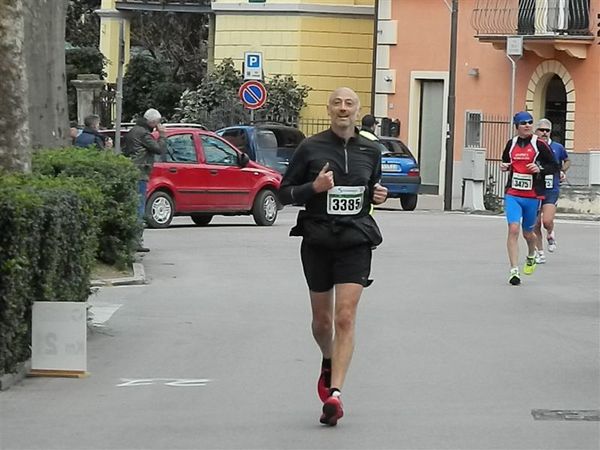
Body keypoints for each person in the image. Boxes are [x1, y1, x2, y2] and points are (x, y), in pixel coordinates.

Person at [278, 87, 388, 426]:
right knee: (322, 322)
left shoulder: (371, 151)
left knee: (345, 317)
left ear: (358, 111)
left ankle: (336, 394)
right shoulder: (310, 148)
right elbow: (283, 193)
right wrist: (314, 188)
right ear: (328, 110)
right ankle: (328, 358)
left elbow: (370, 190)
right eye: (337, 103)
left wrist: (377, 194)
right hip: (318, 240)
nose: (343, 109)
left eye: (349, 104)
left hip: (355, 239)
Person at [500, 111, 560, 285]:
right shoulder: (511, 144)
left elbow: (554, 166)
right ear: (517, 126)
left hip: (532, 195)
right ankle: (514, 270)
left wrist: (539, 168)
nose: (527, 125)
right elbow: (506, 162)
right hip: (513, 194)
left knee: (528, 233)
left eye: (530, 122)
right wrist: (505, 166)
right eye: (523, 122)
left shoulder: (539, 144)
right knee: (513, 229)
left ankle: (532, 254)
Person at [122, 108, 167, 252]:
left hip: (132, 170)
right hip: (140, 172)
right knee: (139, 208)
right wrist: (162, 135)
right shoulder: (144, 133)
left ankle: (131, 241)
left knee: (134, 206)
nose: (158, 124)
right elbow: (158, 149)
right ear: (152, 121)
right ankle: (136, 242)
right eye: (157, 122)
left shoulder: (134, 130)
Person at [533, 118, 570, 262]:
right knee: (535, 223)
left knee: (547, 221)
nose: (544, 133)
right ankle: (540, 253)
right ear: (536, 131)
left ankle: (550, 232)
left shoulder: (557, 147)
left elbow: (567, 160)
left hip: (551, 188)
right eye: (541, 130)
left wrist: (562, 170)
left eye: (547, 130)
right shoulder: (532, 147)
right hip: (535, 188)